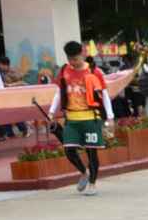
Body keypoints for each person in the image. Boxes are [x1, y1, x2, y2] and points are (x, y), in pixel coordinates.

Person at [47, 41, 113, 195]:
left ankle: (92, 184)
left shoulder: (94, 72)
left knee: (91, 152)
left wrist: (110, 117)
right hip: (72, 119)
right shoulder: (64, 71)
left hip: (90, 118)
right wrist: (51, 111)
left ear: (82, 54)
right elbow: (59, 93)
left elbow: (103, 94)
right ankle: (84, 172)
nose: (73, 62)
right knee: (69, 150)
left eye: (75, 59)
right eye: (70, 59)